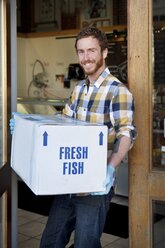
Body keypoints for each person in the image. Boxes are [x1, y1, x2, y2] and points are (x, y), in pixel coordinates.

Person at [10, 26, 136, 248]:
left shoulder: (118, 91)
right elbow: (62, 122)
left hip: (95, 186)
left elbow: (127, 133)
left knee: (85, 244)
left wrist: (110, 168)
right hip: (68, 182)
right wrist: (26, 125)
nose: (86, 58)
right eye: (81, 52)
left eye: (91, 51)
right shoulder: (79, 89)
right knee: (50, 241)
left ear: (104, 52)